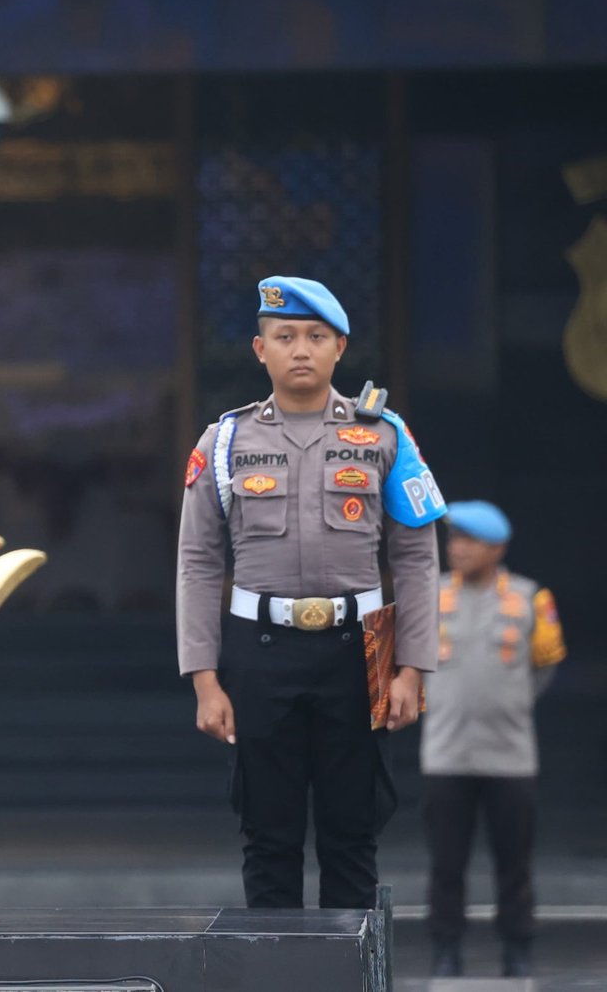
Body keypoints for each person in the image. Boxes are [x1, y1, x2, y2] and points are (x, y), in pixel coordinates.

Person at [176, 276, 446, 910]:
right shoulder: (225, 442)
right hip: (259, 650)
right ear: (259, 348)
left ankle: (351, 965)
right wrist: (204, 680)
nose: (301, 349)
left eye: (316, 337)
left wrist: (413, 670)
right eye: (285, 336)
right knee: (267, 836)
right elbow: (197, 561)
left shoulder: (386, 436)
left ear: (340, 347)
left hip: (362, 649)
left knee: (353, 834)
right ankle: (276, 962)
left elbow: (415, 558)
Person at [421, 500, 565, 978]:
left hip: (510, 756)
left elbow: (544, 666)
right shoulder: (429, 595)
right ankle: (446, 948)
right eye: (455, 539)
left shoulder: (530, 598)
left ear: (497, 548)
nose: (458, 549)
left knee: (514, 862)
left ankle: (517, 947)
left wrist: (510, 702)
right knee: (446, 864)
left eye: (470, 541)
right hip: (445, 755)